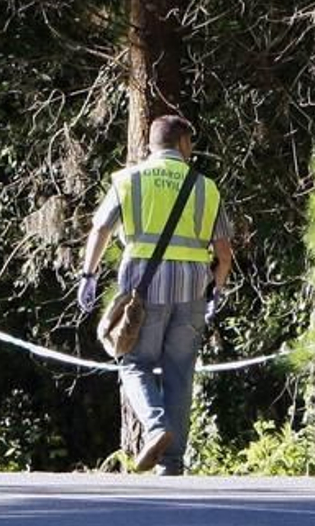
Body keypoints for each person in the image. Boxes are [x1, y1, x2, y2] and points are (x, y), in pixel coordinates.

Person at [77, 115, 233, 475]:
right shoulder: (205, 187)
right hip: (192, 290)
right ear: (182, 144)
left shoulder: (127, 180)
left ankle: (156, 426)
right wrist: (217, 291)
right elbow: (224, 254)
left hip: (143, 290)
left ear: (151, 144)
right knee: (180, 373)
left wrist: (89, 274)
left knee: (134, 362)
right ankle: (172, 462)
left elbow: (100, 229)